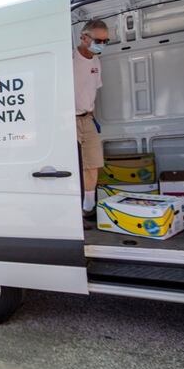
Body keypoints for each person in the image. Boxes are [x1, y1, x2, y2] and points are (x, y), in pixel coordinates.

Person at [73, 19, 109, 228]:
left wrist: (92, 116)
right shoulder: (69, 58)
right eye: (98, 40)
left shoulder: (96, 61)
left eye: (106, 41)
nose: (102, 45)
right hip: (67, 119)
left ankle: (88, 208)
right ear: (84, 37)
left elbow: (93, 90)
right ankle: (74, 210)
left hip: (87, 117)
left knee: (93, 163)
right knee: (73, 166)